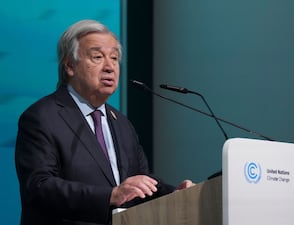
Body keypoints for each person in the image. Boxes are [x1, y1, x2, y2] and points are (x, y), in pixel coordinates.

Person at [15, 19, 194, 225]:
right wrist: (111, 195)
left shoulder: (121, 123)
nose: (110, 67)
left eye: (115, 58)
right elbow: (39, 187)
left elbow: (140, 180)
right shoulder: (42, 117)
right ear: (70, 66)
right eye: (97, 57)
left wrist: (175, 194)